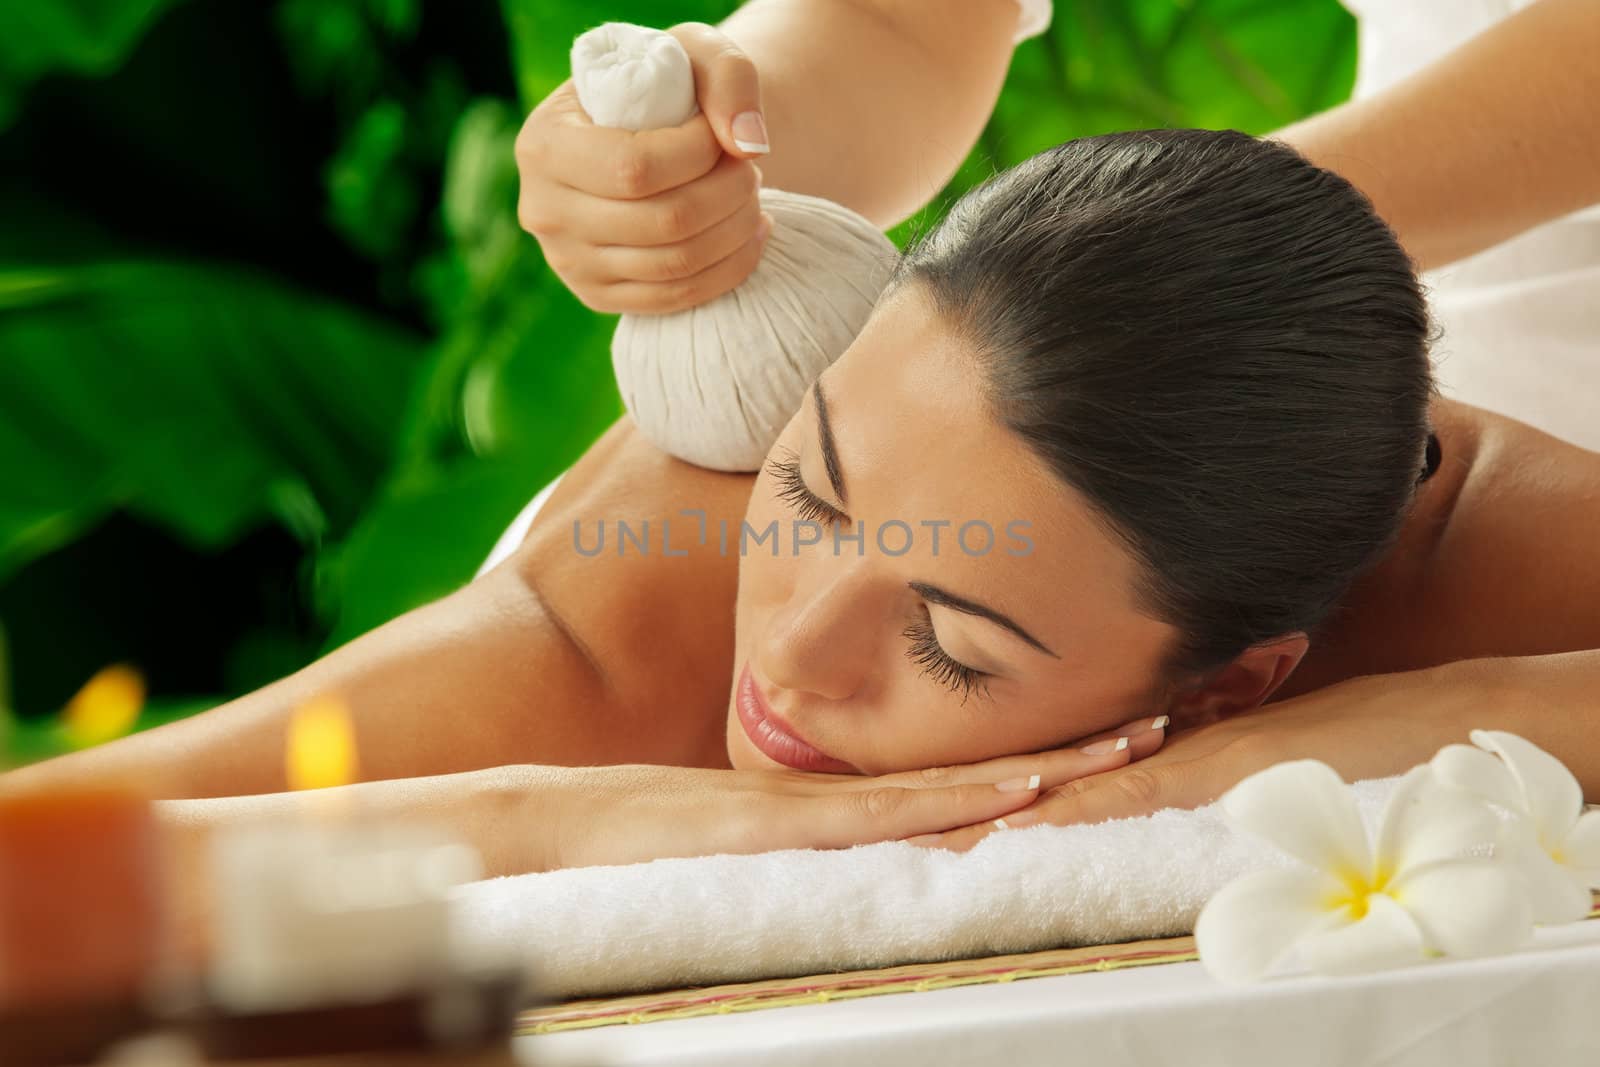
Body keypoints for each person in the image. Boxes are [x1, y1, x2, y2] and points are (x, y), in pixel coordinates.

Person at [8, 124, 1600, 876]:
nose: (793, 659)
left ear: (1233, 671)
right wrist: (536, 813)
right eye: (818, 490)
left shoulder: (1509, 563)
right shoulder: (634, 621)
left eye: (956, 637)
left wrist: (1366, 733)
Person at [515, 0, 1600, 448]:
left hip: (1497, 396)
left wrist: (1155, 238)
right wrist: (715, 139)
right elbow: (899, 24)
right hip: (1339, 329)